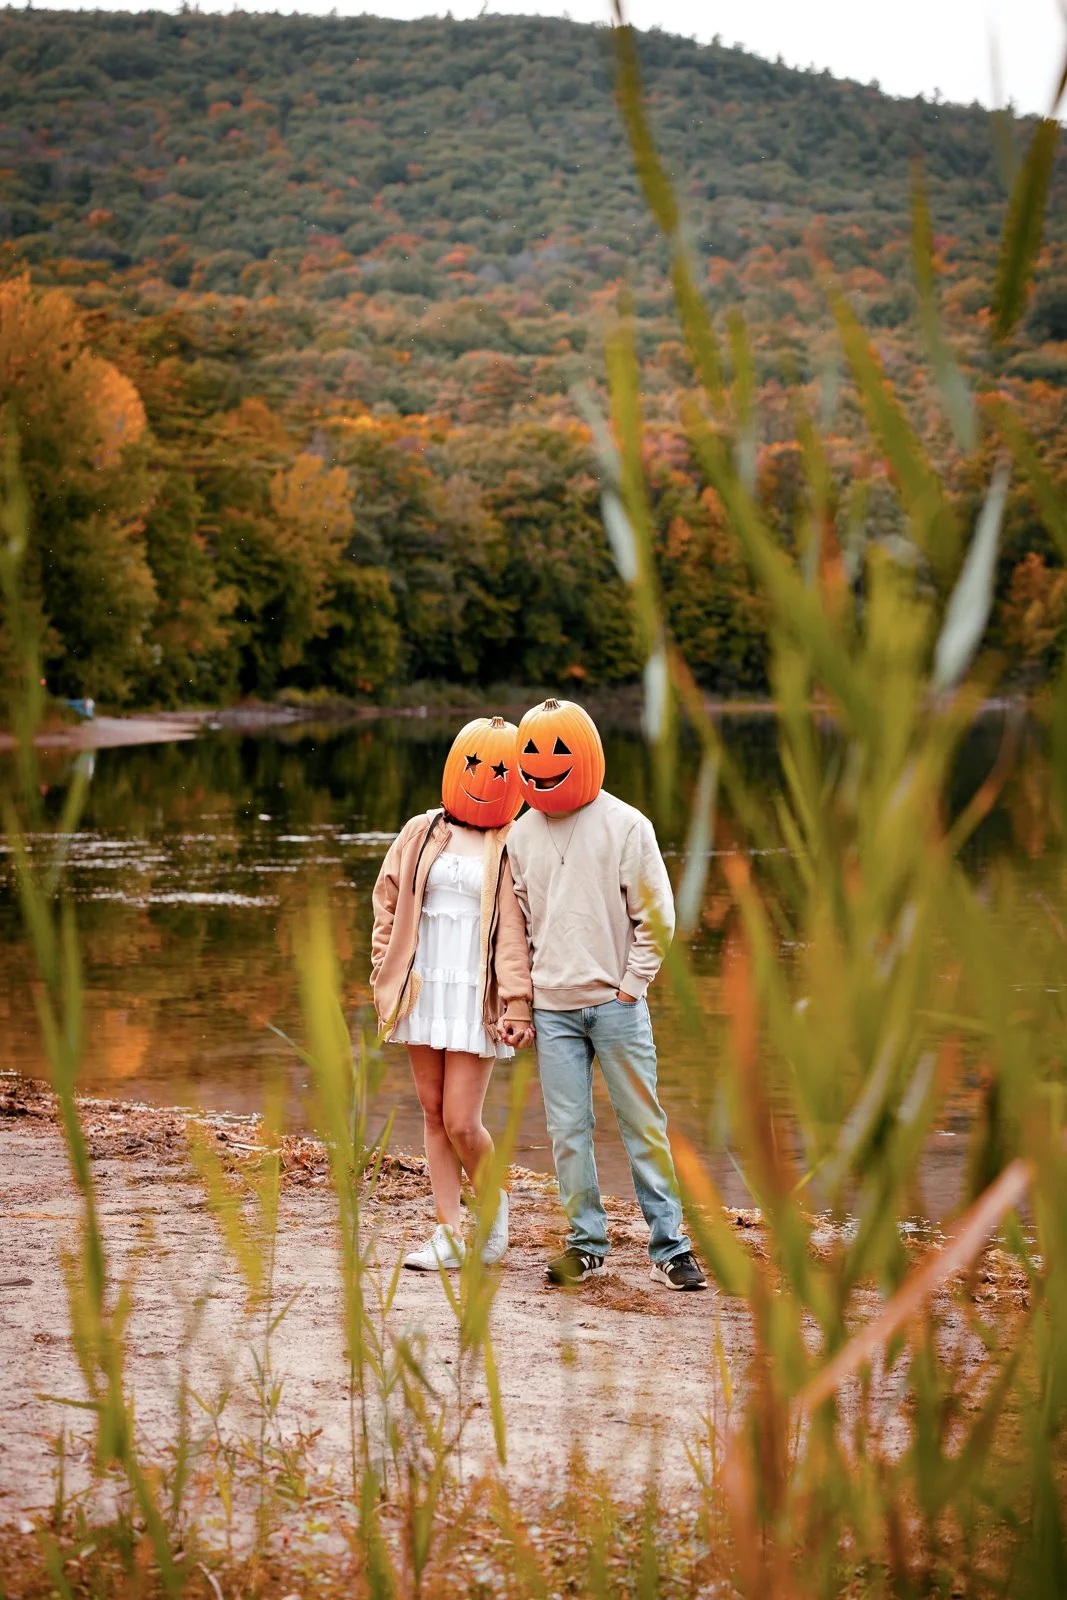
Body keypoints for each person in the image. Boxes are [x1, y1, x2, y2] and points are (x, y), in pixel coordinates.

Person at [502, 698, 707, 1291]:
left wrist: (632, 984)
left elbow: (657, 915)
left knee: (642, 1124)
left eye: (558, 750)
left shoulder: (626, 825)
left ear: (586, 754)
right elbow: (513, 927)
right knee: (569, 1133)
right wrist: (518, 1001)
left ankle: (670, 1246)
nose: (544, 762)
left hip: (616, 1004)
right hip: (553, 1009)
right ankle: (585, 1244)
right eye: (533, 753)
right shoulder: (520, 835)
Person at [371, 715, 534, 1272]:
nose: (483, 775)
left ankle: (493, 1207)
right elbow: (386, 902)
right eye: (473, 764)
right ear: (455, 765)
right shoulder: (422, 830)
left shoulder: (511, 844)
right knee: (433, 1112)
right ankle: (446, 1230)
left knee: (464, 1120)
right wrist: (382, 969)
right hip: (423, 988)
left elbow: (515, 933)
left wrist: (516, 1002)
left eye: (498, 768)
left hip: (473, 993)